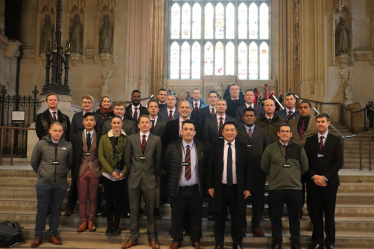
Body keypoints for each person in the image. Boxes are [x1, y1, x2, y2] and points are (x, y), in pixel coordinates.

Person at [261, 124, 308, 249]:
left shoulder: (298, 148)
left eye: (287, 131)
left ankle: (295, 242)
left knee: (295, 218)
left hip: (295, 189)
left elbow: (305, 167)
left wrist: (293, 176)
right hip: (276, 188)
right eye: (282, 131)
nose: (285, 133)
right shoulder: (270, 148)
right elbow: (264, 166)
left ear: (291, 134)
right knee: (275, 217)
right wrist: (275, 176)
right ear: (278, 134)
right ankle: (277, 241)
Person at [164, 120, 208, 249]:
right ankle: (177, 239)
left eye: (191, 129)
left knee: (196, 216)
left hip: (195, 188)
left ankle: (195, 240)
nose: (188, 131)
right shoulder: (172, 147)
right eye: (186, 129)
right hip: (178, 188)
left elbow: (204, 168)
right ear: (181, 131)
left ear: (194, 132)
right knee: (177, 215)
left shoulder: (202, 147)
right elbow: (166, 165)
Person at [207, 121, 250, 249]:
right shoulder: (215, 146)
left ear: (236, 132)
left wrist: (247, 187)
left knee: (237, 218)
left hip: (238, 189)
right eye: (227, 130)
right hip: (220, 188)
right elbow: (210, 167)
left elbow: (248, 169)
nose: (230, 132)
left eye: (232, 130)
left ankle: (237, 243)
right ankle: (219, 244)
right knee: (219, 218)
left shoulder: (243, 147)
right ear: (222, 132)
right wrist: (209, 185)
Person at [30, 121, 73, 248]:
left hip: (60, 183)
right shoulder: (41, 144)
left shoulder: (68, 145)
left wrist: (63, 173)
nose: (57, 133)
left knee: (55, 211)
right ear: (50, 131)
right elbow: (34, 161)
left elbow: (70, 163)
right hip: (44, 183)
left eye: (60, 131)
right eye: (55, 130)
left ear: (63, 132)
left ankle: (52, 235)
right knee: (42, 210)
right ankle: (38, 236)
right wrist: (42, 174)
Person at [122, 116, 162, 249]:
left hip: (149, 178)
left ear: (151, 125)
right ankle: (133, 237)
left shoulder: (156, 140)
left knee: (150, 210)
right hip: (134, 178)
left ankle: (152, 238)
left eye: (147, 122)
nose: (145, 124)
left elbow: (158, 161)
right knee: (133, 209)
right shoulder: (131, 138)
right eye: (142, 123)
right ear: (138, 125)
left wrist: (153, 174)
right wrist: (133, 170)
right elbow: (127, 158)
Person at [304, 113, 343, 249]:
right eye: (318, 122)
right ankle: (318, 240)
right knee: (316, 213)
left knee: (329, 213)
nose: (320, 124)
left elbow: (338, 162)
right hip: (313, 183)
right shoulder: (309, 141)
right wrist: (315, 177)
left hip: (330, 183)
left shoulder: (336, 139)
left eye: (323, 121)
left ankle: (330, 241)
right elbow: (305, 162)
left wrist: (325, 177)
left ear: (328, 123)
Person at [65, 96, 103, 217]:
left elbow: (99, 132)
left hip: (93, 156)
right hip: (79, 153)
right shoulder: (76, 116)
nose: (87, 104)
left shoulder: (98, 117)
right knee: (75, 184)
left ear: (93, 104)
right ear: (82, 103)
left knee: (95, 189)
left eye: (89, 102)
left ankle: (97, 209)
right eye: (85, 102)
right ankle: (70, 206)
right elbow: (71, 132)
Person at [236, 108, 270, 237]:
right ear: (243, 117)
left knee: (258, 201)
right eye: (247, 115)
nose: (249, 117)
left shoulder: (262, 132)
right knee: (241, 202)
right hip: (240, 172)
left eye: (251, 115)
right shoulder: (237, 132)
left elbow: (268, 150)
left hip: (258, 172)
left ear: (255, 118)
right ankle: (242, 225)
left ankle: (256, 225)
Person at [71, 113, 102, 233]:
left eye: (91, 120)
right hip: (81, 170)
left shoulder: (100, 135)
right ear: (83, 122)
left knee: (93, 198)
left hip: (95, 169)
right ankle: (83, 221)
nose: (89, 122)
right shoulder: (76, 136)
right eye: (86, 120)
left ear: (95, 123)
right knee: (82, 197)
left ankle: (91, 221)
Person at [98, 115, 128, 236]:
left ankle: (117, 225)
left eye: (118, 123)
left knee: (119, 200)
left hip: (122, 174)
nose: (116, 125)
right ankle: (109, 225)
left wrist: (123, 173)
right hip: (108, 174)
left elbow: (130, 157)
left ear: (122, 124)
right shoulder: (104, 138)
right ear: (111, 124)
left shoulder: (127, 138)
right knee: (109, 200)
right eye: (114, 123)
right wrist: (111, 171)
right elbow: (101, 156)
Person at [289, 101, 318, 218]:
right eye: (300, 108)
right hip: (295, 161)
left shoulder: (317, 122)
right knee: (297, 188)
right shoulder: (292, 122)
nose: (303, 110)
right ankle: (298, 210)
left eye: (305, 108)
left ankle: (312, 211)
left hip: (312, 161)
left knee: (312, 189)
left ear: (311, 110)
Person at [148, 99, 167, 218]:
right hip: (144, 158)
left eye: (155, 107)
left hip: (158, 157)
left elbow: (165, 142)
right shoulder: (142, 122)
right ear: (148, 108)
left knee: (157, 185)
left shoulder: (164, 123)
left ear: (158, 109)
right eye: (151, 106)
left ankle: (156, 208)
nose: (153, 108)